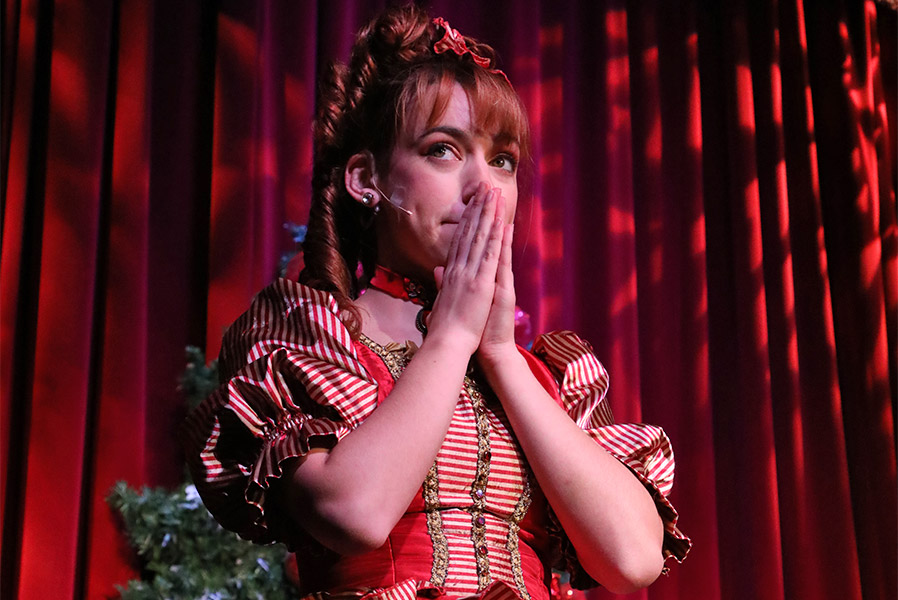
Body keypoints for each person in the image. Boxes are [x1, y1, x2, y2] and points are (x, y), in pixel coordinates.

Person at [182, 5, 690, 599]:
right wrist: (450, 338)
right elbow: (355, 513)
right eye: (443, 150)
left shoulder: (546, 378)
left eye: (502, 160)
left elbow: (633, 559)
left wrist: (500, 355)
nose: (483, 187)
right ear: (365, 179)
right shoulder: (314, 336)